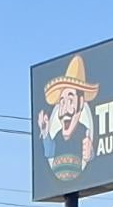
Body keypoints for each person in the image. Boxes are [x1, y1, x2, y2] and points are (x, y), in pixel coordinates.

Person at [37, 55, 98, 183]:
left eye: (70, 101)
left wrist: (91, 156)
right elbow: (49, 152)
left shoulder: (84, 133)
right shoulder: (58, 135)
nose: (64, 110)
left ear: (81, 103)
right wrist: (45, 132)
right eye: (62, 102)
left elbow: (91, 157)